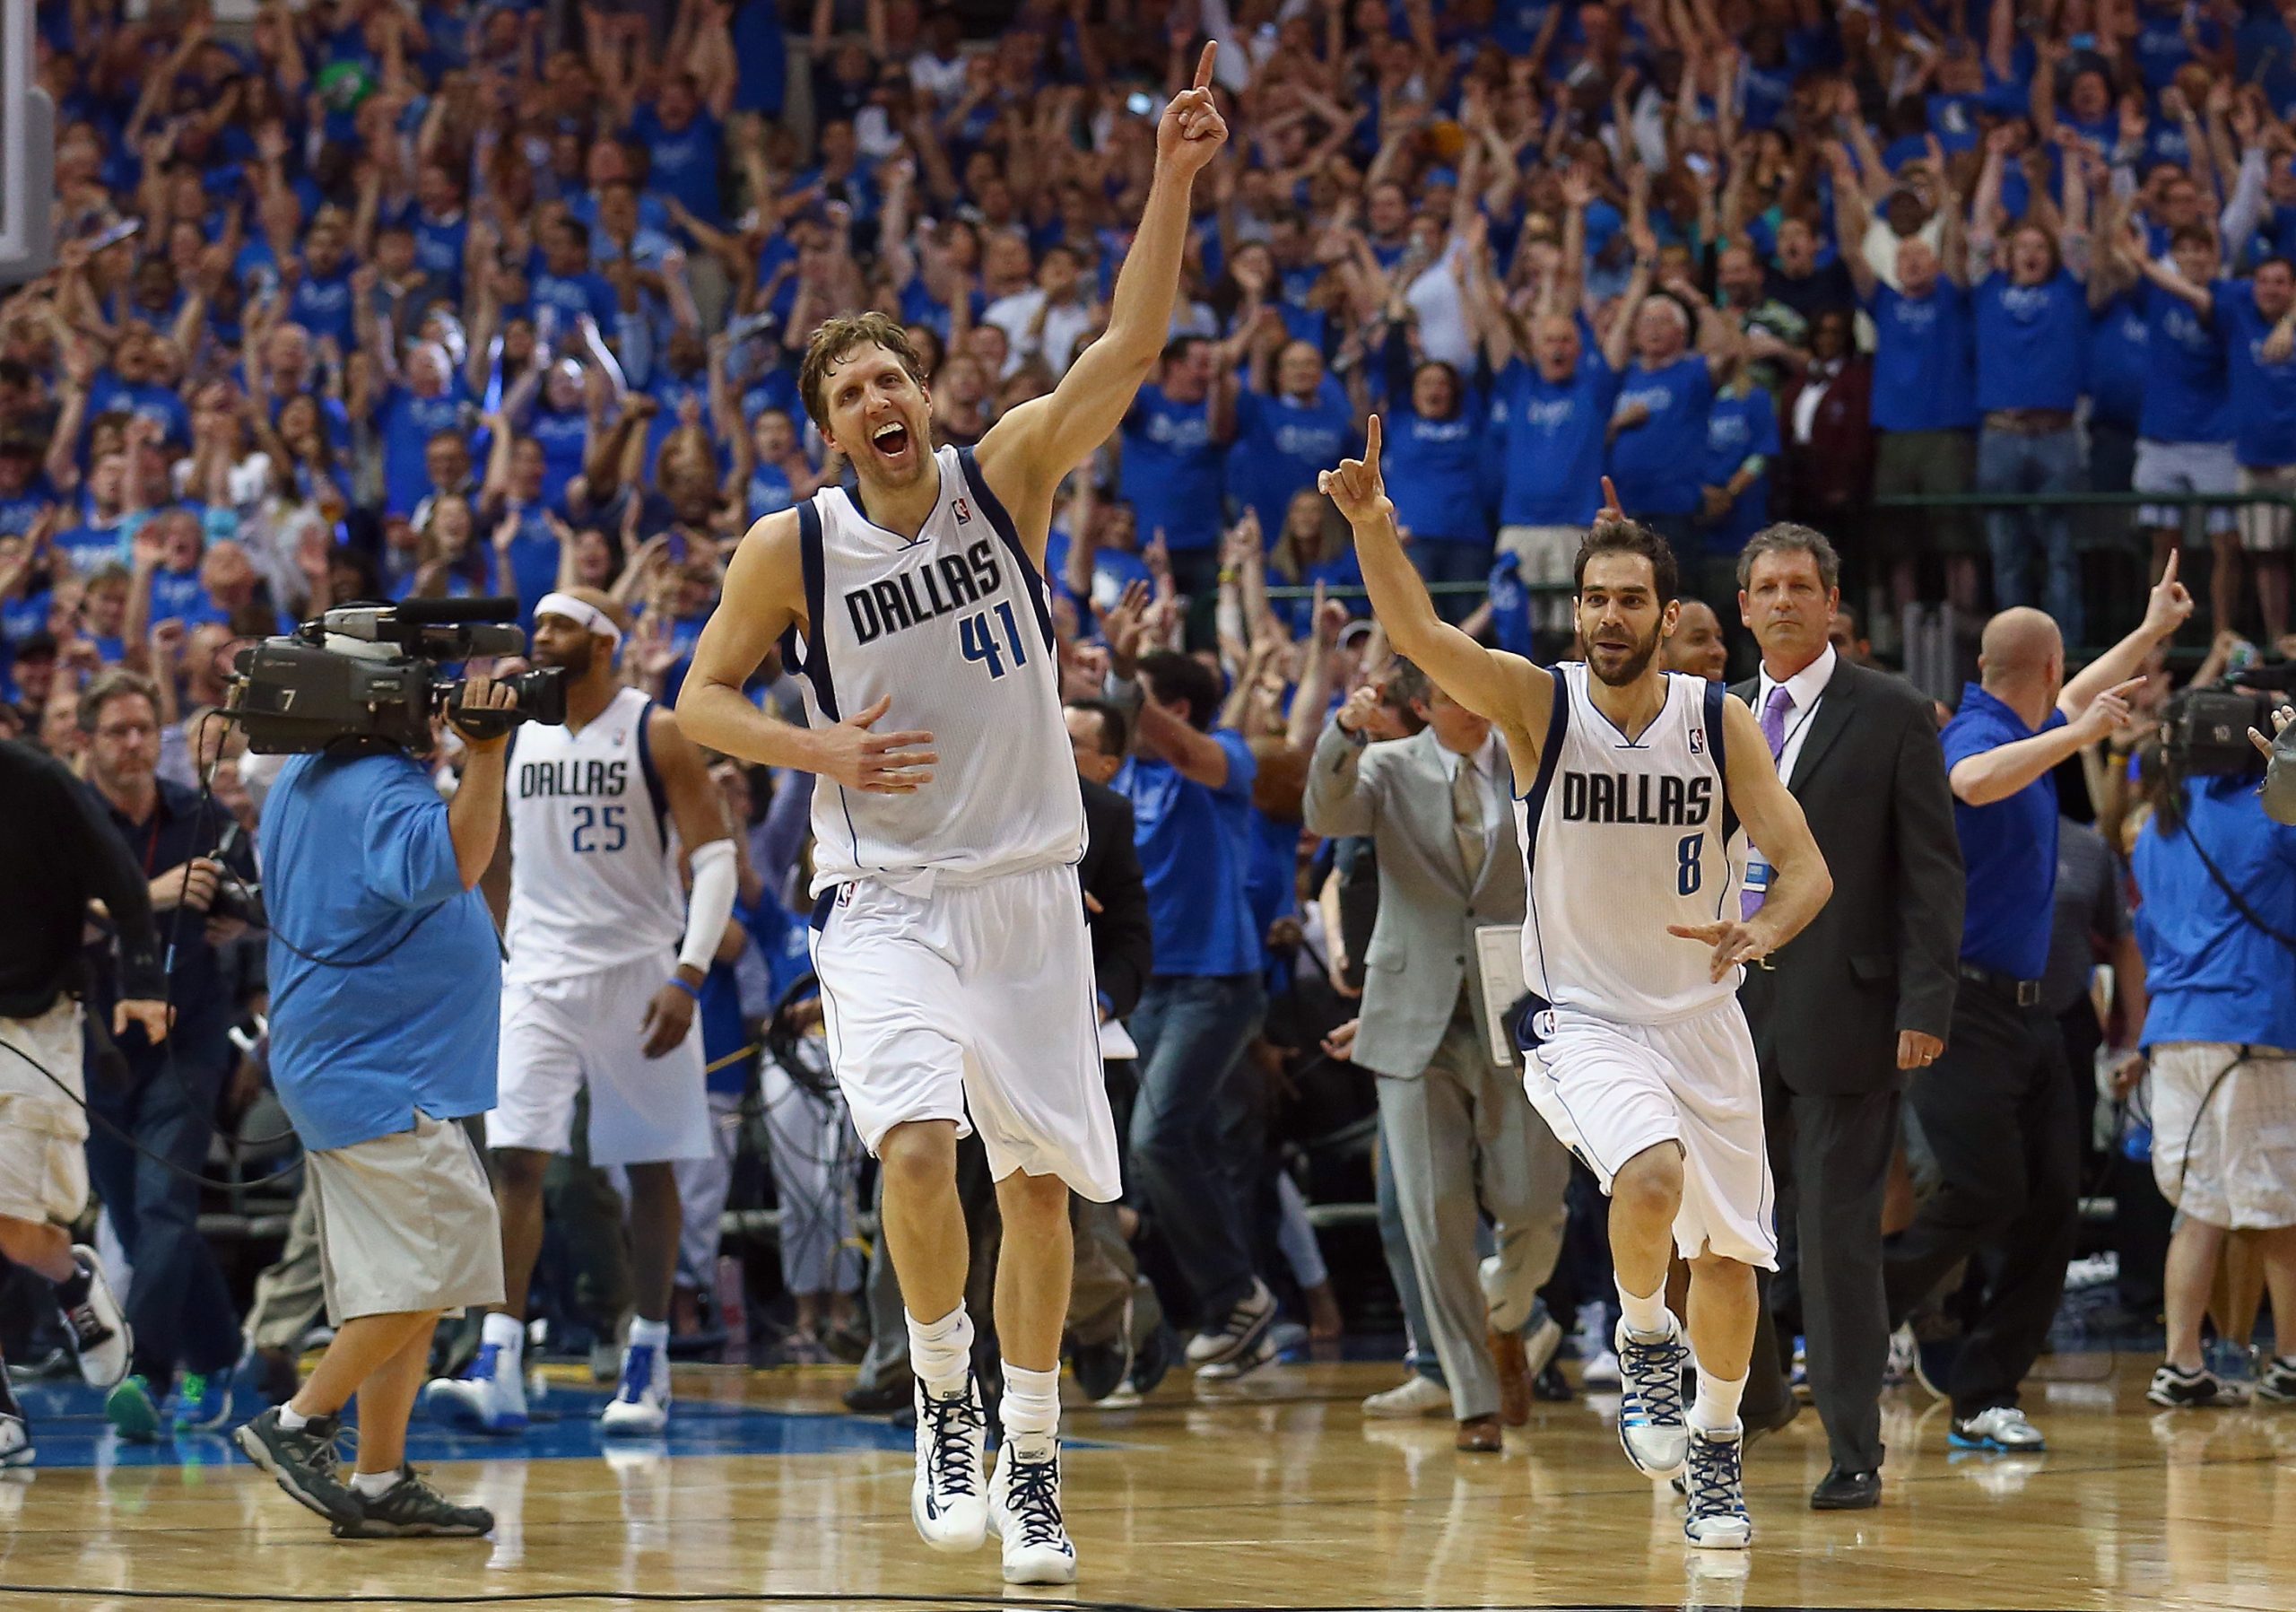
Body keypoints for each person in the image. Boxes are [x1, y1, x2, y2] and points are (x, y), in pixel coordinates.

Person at [673, 49, 1228, 1589]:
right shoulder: (790, 549)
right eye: (851, 392)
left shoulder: (1008, 475)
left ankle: (1034, 1457)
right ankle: (944, 1400)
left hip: (1031, 890)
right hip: (888, 895)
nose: (880, 400)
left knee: (1037, 1186)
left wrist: (1172, 178)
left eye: (893, 379)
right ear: (831, 431)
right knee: (916, 1147)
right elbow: (698, 702)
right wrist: (817, 748)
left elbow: (1131, 341)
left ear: (925, 394)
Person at [1330, 430, 1833, 1550]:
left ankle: (1714, 1448)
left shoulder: (1716, 722)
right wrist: (1374, 530)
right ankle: (1641, 1336)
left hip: (1703, 1019)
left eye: (1630, 600)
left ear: (1666, 614)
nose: (1609, 616)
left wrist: (1760, 929)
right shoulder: (1536, 705)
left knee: (1731, 1259)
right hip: (1585, 1020)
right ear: (1576, 613)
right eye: (1594, 599)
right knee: (1648, 1178)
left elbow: (1805, 868)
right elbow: (1417, 634)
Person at [1884, 558, 2194, 1451]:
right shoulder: (1975, 734)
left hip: (2034, 1016)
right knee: (1987, 1194)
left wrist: (2150, 633)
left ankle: (1985, 1394)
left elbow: (2080, 698)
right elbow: (1974, 782)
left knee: (2054, 1204)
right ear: (2046, 667)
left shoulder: (2027, 718)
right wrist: (2076, 735)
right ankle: (1830, 1310)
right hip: (1964, 1006)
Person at [424, 588, 734, 1436]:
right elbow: (486, 849)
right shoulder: (515, 733)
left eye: (558, 624)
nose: (540, 635)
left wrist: (689, 973)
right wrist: (507, 942)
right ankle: (498, 1360)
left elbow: (714, 858)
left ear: (602, 642)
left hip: (640, 971)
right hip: (539, 975)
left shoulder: (654, 729)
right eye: (539, 624)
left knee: (650, 1166)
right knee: (516, 1161)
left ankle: (649, 1358)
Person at [231, 671, 523, 1540]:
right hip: (382, 1068)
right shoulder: (380, 788)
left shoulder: (308, 774)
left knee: (403, 1285)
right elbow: (458, 859)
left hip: (346, 1059)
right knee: (443, 1265)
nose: (438, 708)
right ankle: (298, 1422)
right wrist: (488, 754)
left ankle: (380, 1477)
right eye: (426, 693)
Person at [1728, 525, 1963, 1511]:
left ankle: (1854, 1447)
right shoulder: (1716, 713)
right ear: (1744, 607)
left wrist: (1925, 1001)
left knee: (1833, 1242)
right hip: (1725, 1013)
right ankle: (1750, 1402)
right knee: (1724, 1231)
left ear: (1832, 604)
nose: (1783, 600)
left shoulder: (1894, 710)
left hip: (1849, 1009)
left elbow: (1932, 872)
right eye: (1767, 587)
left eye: (1801, 585)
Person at [1300, 659, 1570, 1452]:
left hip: (1514, 1008)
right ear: (1422, 705)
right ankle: (1472, 1397)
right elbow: (1327, 811)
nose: (1475, 706)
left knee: (1534, 1203)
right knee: (1434, 1212)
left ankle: (1508, 1310)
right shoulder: (1387, 767)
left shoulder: (1530, 755)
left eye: (1480, 690)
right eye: (1455, 695)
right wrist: (1343, 732)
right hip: (1412, 1011)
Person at [76, 668, 252, 1438]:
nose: (134, 743)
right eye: (117, 730)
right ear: (87, 740)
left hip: (188, 1035)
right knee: (134, 1214)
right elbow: (59, 917)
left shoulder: (198, 812)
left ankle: (143, 1373)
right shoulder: (69, 817)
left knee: (164, 1204)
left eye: (144, 728)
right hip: (98, 1040)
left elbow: (242, 898)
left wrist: (233, 913)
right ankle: (216, 1352)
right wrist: (152, 895)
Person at [0, 737, 159, 1465]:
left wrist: (144, 982)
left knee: (16, 1223)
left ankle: (71, 1276)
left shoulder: (38, 783)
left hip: (35, 1018)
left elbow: (123, 880)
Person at [2128, 753, 2296, 1407]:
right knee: (2278, 1201)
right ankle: (2290, 1359)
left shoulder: (2157, 824)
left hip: (2174, 1029)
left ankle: (2182, 1363)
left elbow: (2146, 929)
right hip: (2253, 1022)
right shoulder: (2269, 815)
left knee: (2199, 1203)